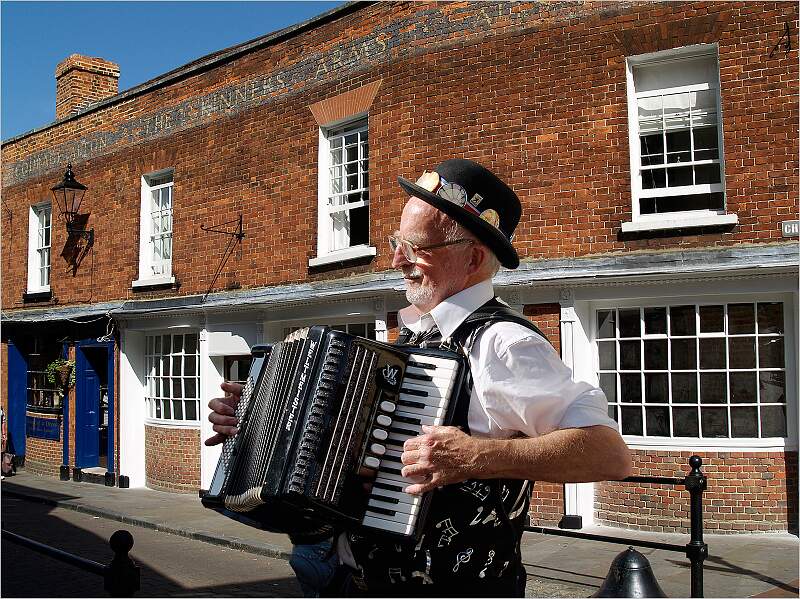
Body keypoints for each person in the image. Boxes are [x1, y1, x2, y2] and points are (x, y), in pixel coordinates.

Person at [207, 158, 632, 597]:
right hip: (346, 573)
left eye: (416, 248)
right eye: (397, 243)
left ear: (473, 257)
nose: (396, 260)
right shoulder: (416, 328)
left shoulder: (504, 342)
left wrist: (474, 458)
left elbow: (607, 454)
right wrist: (259, 418)